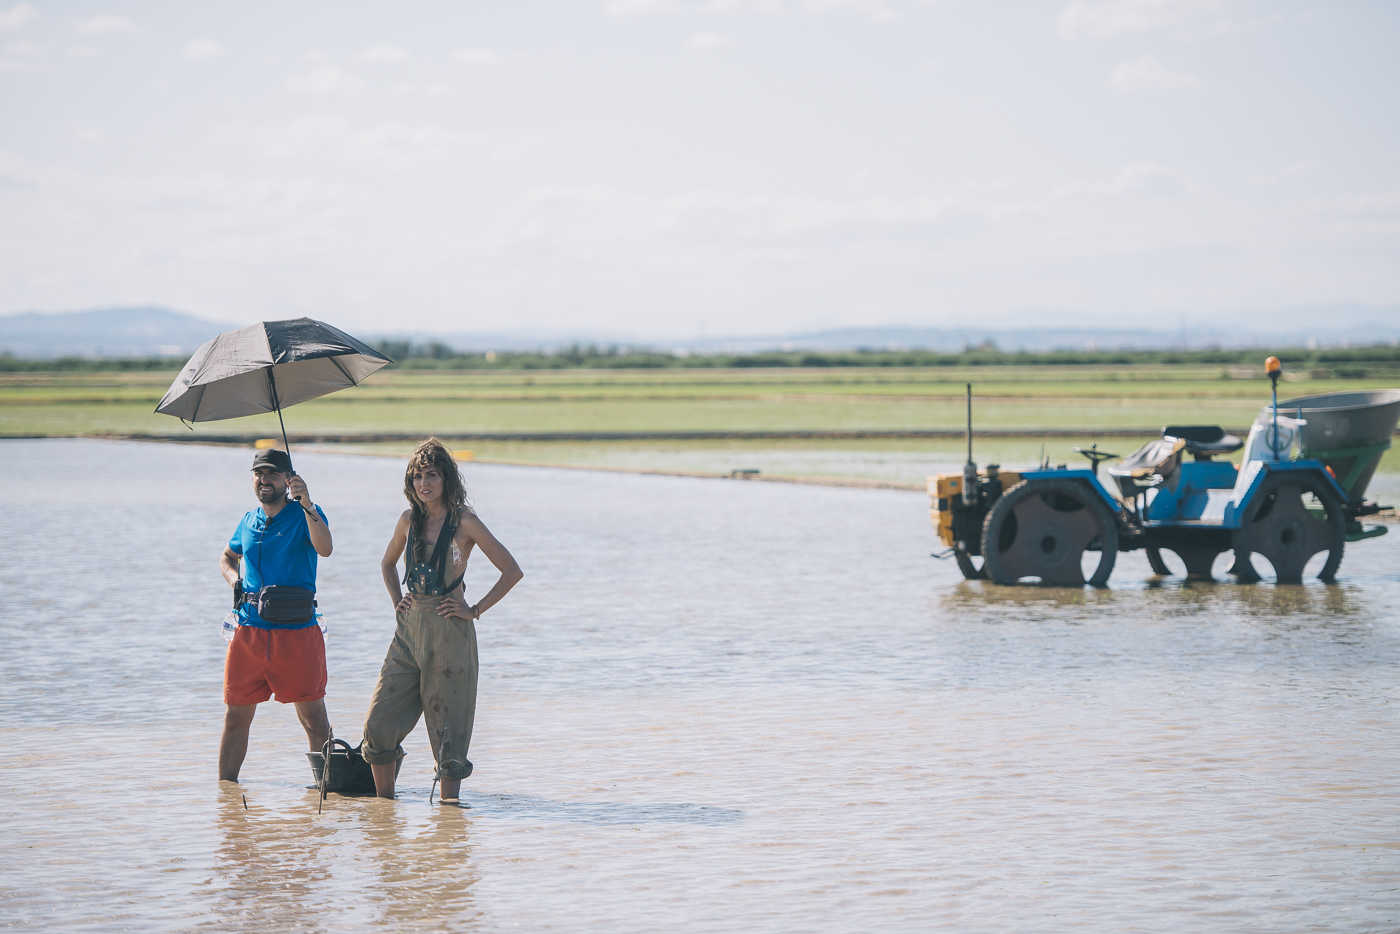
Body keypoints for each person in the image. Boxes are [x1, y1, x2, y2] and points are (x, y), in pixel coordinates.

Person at [362, 438, 523, 801]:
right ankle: (384, 812)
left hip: (450, 633)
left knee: (449, 736)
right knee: (379, 724)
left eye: (432, 475)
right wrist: (396, 601)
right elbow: (387, 564)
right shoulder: (407, 521)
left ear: (447, 479)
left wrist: (474, 610)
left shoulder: (465, 522)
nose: (424, 484)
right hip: (408, 633)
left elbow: (512, 571)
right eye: (417, 477)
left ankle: (450, 817)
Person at [217, 449, 334, 782]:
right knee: (235, 717)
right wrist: (234, 580)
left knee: (313, 719)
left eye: (272, 474)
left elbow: (325, 548)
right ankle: (225, 797)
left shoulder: (305, 514)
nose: (264, 480)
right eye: (258, 474)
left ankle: (327, 788)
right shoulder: (248, 520)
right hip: (249, 633)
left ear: (288, 479)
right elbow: (226, 557)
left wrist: (308, 502)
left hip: (298, 633)